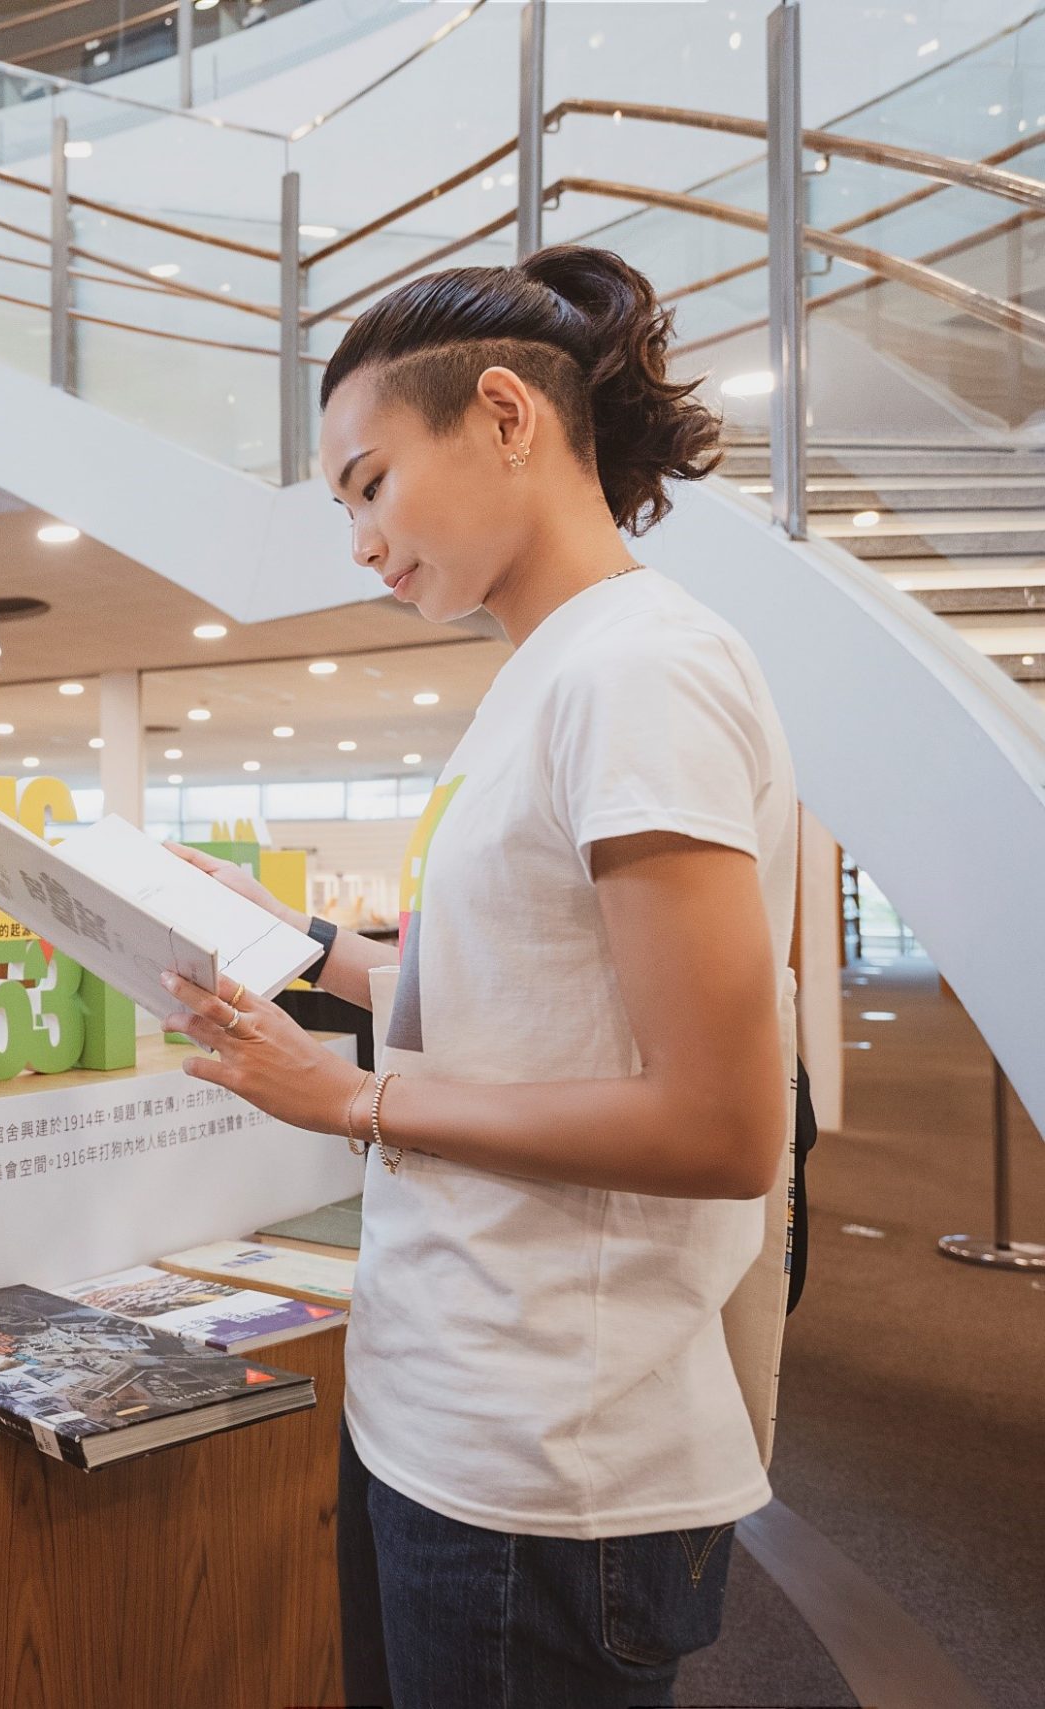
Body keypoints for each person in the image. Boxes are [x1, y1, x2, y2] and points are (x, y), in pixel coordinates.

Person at [155, 245, 795, 1708]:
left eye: (371, 484)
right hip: (446, 1408)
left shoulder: (636, 671)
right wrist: (303, 946)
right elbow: (521, 1003)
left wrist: (356, 1102)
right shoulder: (548, 673)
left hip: (551, 1459)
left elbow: (717, 1124)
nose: (362, 544)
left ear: (506, 415)